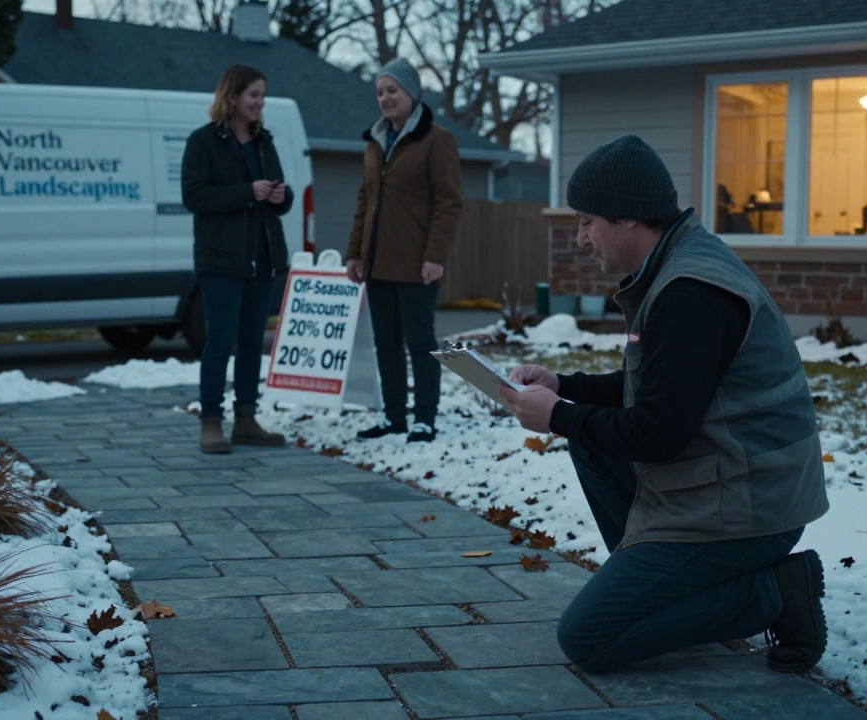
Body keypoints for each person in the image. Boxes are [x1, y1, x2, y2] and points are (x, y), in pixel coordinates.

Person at [498, 135, 830, 675]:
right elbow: (656, 390)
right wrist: (564, 385)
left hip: (751, 508)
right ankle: (668, 595)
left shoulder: (689, 292)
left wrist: (556, 417)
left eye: (586, 221)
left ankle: (773, 592)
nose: (581, 239)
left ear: (627, 217)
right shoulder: (677, 263)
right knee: (593, 445)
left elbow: (658, 432)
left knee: (589, 639)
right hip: (734, 483)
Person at [345, 57, 463, 444]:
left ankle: (424, 418)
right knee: (386, 343)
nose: (385, 98)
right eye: (379, 92)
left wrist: (435, 256)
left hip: (416, 263)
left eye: (392, 90)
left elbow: (448, 202)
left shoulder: (436, 140)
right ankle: (394, 416)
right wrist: (355, 253)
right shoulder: (375, 142)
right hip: (377, 263)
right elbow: (364, 200)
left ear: (411, 94)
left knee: (420, 342)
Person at [181, 64, 292, 453]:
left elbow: (279, 196)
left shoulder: (265, 142)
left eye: (263, 95)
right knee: (220, 341)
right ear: (232, 96)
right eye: (254, 95)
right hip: (221, 261)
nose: (261, 102)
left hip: (262, 259)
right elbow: (195, 197)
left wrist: (282, 196)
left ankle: (246, 418)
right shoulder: (203, 142)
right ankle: (211, 421)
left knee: (250, 342)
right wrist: (248, 191)